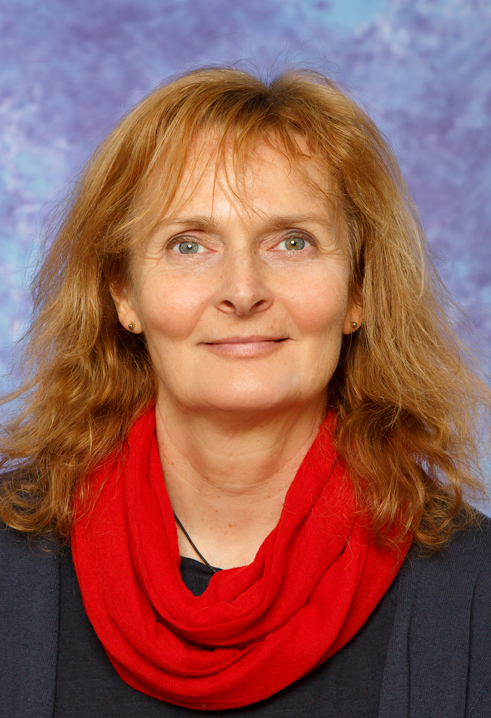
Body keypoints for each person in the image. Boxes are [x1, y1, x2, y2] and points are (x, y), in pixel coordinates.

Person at [0, 66, 490, 718]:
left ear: (358, 291)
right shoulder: (10, 561)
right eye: (189, 245)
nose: (242, 290)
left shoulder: (475, 589)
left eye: (293, 242)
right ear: (123, 293)